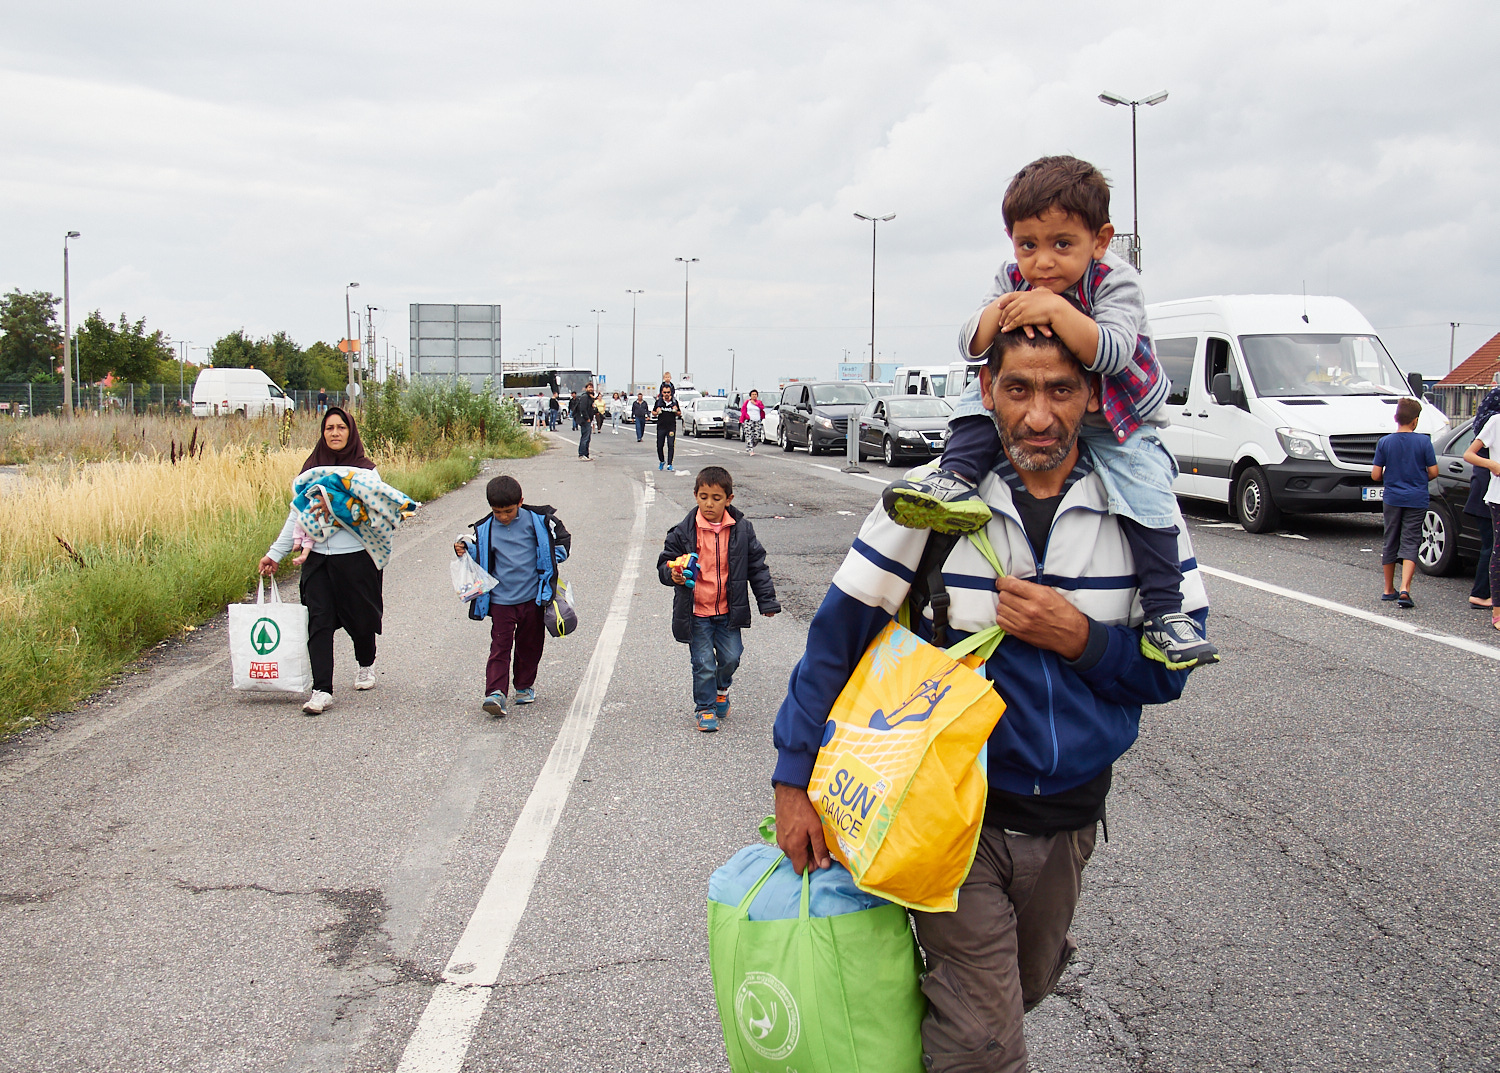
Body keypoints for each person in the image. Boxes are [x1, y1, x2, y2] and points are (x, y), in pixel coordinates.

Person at [772, 329, 1208, 1072]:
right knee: (984, 1042)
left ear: (1095, 396)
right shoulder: (930, 500)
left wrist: (1080, 638)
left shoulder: (1138, 508)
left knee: (1020, 985)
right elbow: (834, 639)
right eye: (1019, 390)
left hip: (1071, 817)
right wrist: (792, 778)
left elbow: (1169, 672)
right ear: (987, 393)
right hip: (949, 816)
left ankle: (959, 1000)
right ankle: (966, 1015)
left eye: (1061, 390)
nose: (1039, 415)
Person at [882, 155, 1216, 670]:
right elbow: (972, 345)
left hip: (1116, 415)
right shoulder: (1012, 278)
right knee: (980, 390)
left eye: (1063, 244)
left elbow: (1111, 353)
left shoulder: (1112, 282)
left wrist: (1058, 311)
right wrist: (1000, 311)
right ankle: (956, 477)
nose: (1042, 263)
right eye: (1027, 245)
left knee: (1146, 491)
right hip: (1064, 409)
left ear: (1100, 240)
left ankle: (1166, 614)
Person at [258, 407, 385, 716]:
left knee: (362, 620)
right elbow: (296, 515)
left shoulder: (366, 471)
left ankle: (365, 664)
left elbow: (380, 513)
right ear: (323, 433)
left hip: (357, 560)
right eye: (329, 428)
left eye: (341, 427)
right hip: (317, 561)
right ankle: (322, 689)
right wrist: (275, 553)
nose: (335, 433)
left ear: (350, 432)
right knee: (319, 622)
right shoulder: (310, 471)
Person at [657, 466, 779, 732]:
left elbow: (756, 567)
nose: (708, 503)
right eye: (703, 496)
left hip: (728, 611)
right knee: (703, 663)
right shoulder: (683, 532)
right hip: (696, 612)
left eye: (716, 497)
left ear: (729, 499)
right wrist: (673, 573)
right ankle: (705, 708)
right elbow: (665, 565)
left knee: (732, 657)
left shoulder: (742, 530)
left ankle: (721, 690)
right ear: (695, 495)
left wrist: (766, 601)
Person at [454, 475, 571, 717]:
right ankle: (495, 693)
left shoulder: (539, 520)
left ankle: (524, 685)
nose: (504, 517)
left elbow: (561, 542)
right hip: (501, 601)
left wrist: (551, 558)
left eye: (508, 511)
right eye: (498, 512)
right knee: (500, 646)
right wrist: (463, 549)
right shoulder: (484, 528)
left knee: (530, 645)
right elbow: (477, 552)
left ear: (520, 502)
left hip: (533, 599)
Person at [1372, 396, 1438, 609]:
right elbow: (1433, 472)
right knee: (1410, 541)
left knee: (1390, 538)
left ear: (1396, 418)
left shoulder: (1385, 442)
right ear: (1415, 421)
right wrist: (1419, 478)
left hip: (1392, 498)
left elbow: (1375, 475)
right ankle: (1405, 589)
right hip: (1417, 497)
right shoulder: (1423, 442)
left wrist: (1389, 477)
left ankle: (1387, 589)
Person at [1462, 407, 1500, 631]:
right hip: (1498, 497)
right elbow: (1469, 454)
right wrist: (1492, 464)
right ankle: (1497, 610)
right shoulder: (1496, 421)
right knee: (1498, 550)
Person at [653, 383, 683, 471]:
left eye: (668, 392)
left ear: (671, 393)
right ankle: (662, 461)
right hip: (661, 427)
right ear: (662, 392)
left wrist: (676, 411)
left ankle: (670, 464)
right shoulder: (659, 402)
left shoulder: (674, 402)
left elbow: (679, 413)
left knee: (670, 445)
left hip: (671, 427)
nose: (666, 394)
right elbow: (653, 413)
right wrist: (657, 412)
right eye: (665, 392)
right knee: (659, 446)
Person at [571, 384, 596, 461]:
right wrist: (587, 418)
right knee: (585, 437)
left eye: (592, 387)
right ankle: (582, 454)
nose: (591, 389)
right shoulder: (584, 397)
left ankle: (586, 454)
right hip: (584, 420)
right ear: (586, 389)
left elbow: (591, 407)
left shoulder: (589, 397)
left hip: (588, 420)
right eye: (589, 387)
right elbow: (583, 409)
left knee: (588, 438)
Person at [740, 389, 767, 455]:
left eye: (755, 394)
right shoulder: (747, 402)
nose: (754, 396)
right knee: (749, 435)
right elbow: (743, 410)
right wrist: (746, 417)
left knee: (756, 436)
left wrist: (756, 404)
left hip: (757, 421)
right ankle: (750, 449)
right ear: (750, 395)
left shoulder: (759, 402)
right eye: (753, 394)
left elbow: (762, 407)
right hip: (749, 421)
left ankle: (751, 445)